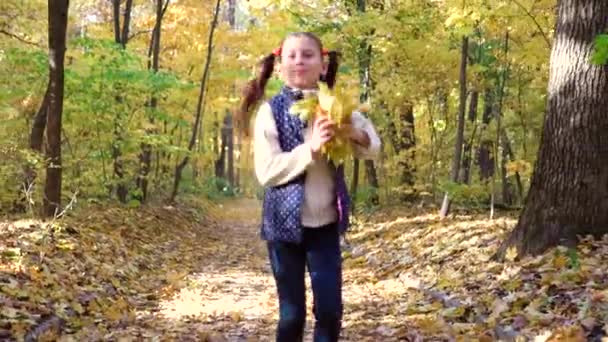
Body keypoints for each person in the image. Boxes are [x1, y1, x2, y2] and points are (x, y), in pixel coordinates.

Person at [236, 32, 381, 342]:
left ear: (322, 64)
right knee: (292, 315)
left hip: (326, 225)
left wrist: (353, 133)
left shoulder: (338, 106)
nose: (299, 61)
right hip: (282, 227)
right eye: (292, 55)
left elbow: (373, 147)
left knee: (330, 310)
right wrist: (310, 148)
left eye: (307, 55)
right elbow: (267, 171)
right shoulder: (269, 111)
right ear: (279, 66)